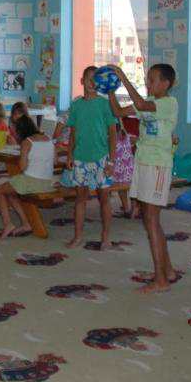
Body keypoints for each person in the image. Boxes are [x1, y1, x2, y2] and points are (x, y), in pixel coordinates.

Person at [107, 63, 179, 293]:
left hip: (157, 165)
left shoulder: (168, 103)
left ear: (166, 83)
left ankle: (161, 281)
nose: (148, 84)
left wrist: (123, 77)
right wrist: (110, 90)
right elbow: (118, 113)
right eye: (147, 80)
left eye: (152, 80)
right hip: (143, 162)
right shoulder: (148, 103)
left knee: (151, 220)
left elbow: (140, 104)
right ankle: (167, 271)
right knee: (150, 220)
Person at [65, 66, 118, 249]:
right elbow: (73, 133)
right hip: (80, 158)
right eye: (89, 79)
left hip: (101, 158)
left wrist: (111, 160)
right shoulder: (76, 105)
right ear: (82, 81)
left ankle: (106, 237)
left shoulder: (104, 104)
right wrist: (70, 154)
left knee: (104, 199)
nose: (92, 83)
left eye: (96, 80)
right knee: (80, 199)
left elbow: (113, 133)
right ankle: (78, 236)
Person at [0, 115, 56, 238]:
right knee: (11, 192)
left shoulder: (27, 142)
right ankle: (26, 224)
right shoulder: (49, 139)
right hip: (47, 182)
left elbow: (22, 168)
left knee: (0, 190)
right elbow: (55, 161)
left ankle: (8, 224)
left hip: (31, 181)